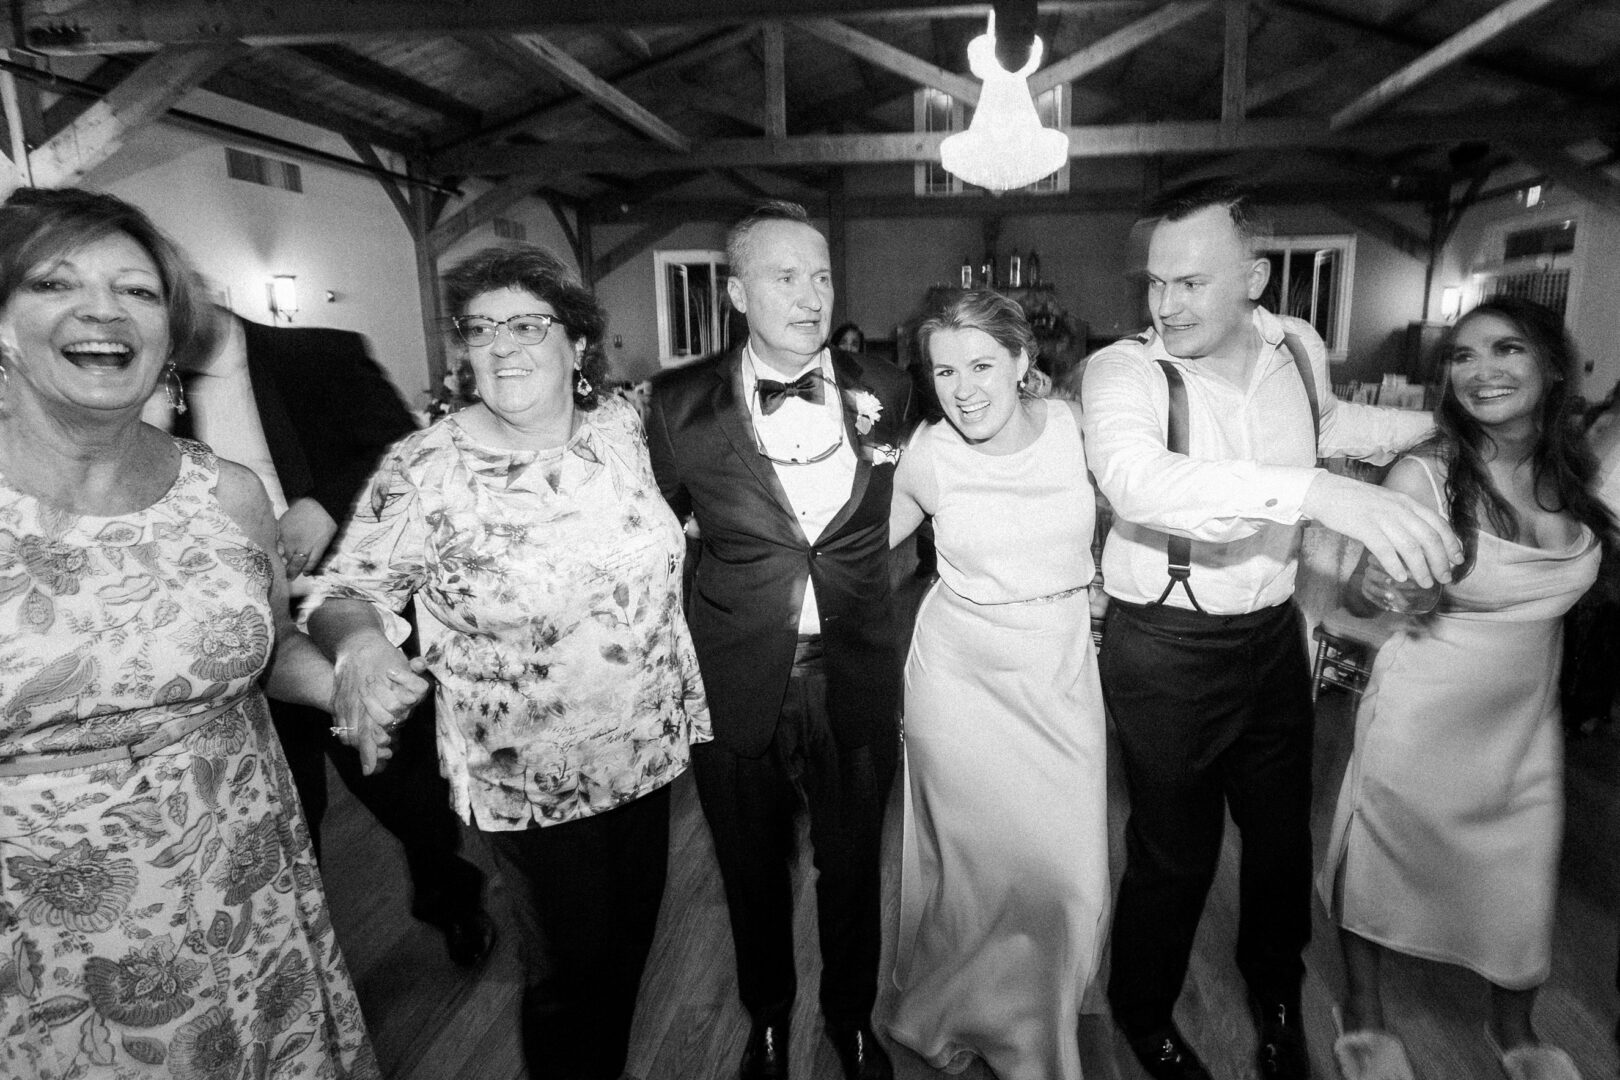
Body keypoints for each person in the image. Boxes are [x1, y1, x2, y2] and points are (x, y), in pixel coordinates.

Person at [0, 187, 423, 1079]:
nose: (104, 310)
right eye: (54, 283)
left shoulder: (223, 491)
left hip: (244, 890)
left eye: (139, 291)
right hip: (42, 939)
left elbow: (262, 650)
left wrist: (351, 681)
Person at [1081, 181, 1460, 1080]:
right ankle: (1144, 1015)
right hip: (1164, 646)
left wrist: (1449, 425)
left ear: (1254, 277)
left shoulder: (1297, 346)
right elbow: (1138, 480)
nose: (1164, 305)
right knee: (1174, 855)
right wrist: (1319, 493)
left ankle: (1277, 995)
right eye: (1156, 284)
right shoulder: (1124, 371)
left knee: (1282, 839)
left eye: (1191, 283)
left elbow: (1326, 426)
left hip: (1271, 639)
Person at [305, 243, 710, 1080]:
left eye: (528, 324)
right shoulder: (429, 466)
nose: (501, 344)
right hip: (532, 772)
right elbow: (346, 587)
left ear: (578, 345)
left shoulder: (625, 433)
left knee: (626, 956)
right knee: (566, 977)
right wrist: (360, 641)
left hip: (646, 746)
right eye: (481, 329)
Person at [645, 200, 914, 1080]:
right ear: (735, 292)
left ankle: (853, 1022)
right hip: (733, 681)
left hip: (856, 675)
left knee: (850, 873)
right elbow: (660, 533)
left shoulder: (890, 389)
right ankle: (766, 1022)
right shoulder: (677, 406)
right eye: (784, 276)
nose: (810, 295)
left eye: (822, 275)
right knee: (751, 875)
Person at [1322, 298, 1611, 1080]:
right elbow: (1355, 598)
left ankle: (1514, 1029)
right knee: (1384, 856)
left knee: (1521, 869)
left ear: (1551, 366)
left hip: (1524, 722)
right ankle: (1365, 1014)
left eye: (1507, 350)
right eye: (1462, 356)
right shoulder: (1425, 474)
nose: (1482, 371)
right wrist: (1383, 584)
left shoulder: (1577, 471)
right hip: (1425, 712)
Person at [181, 312, 494, 966]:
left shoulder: (318, 352)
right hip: (225, 633)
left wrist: (323, 502)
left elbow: (402, 451)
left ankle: (451, 896)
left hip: (348, 607)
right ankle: (301, 953)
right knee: (284, 806)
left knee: (402, 787)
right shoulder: (152, 386)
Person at [884, 290, 1108, 1079]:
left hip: (1059, 672)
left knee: (1065, 874)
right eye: (945, 370)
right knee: (976, 873)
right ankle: (961, 1018)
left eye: (981, 364)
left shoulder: (1078, 430)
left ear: (1022, 362)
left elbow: (1144, 501)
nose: (963, 387)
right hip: (958, 679)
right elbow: (842, 550)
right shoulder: (926, 454)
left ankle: (1036, 1023)